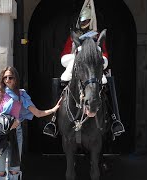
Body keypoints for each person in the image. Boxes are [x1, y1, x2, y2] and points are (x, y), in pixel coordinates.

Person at [43, 0, 125, 140]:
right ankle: (53, 120)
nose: (84, 23)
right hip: (76, 65)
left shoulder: (96, 36)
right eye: (82, 20)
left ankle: (115, 119)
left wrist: (99, 57)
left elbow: (104, 54)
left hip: (94, 67)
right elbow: (65, 54)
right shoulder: (73, 36)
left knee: (108, 82)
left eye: (86, 20)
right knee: (61, 80)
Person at [0, 66, 61, 180]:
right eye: (5, 77)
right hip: (0, 133)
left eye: (10, 77)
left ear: (15, 78)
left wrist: (54, 109)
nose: (7, 80)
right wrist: (4, 121)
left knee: (14, 170)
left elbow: (37, 113)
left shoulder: (22, 95)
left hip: (16, 133)